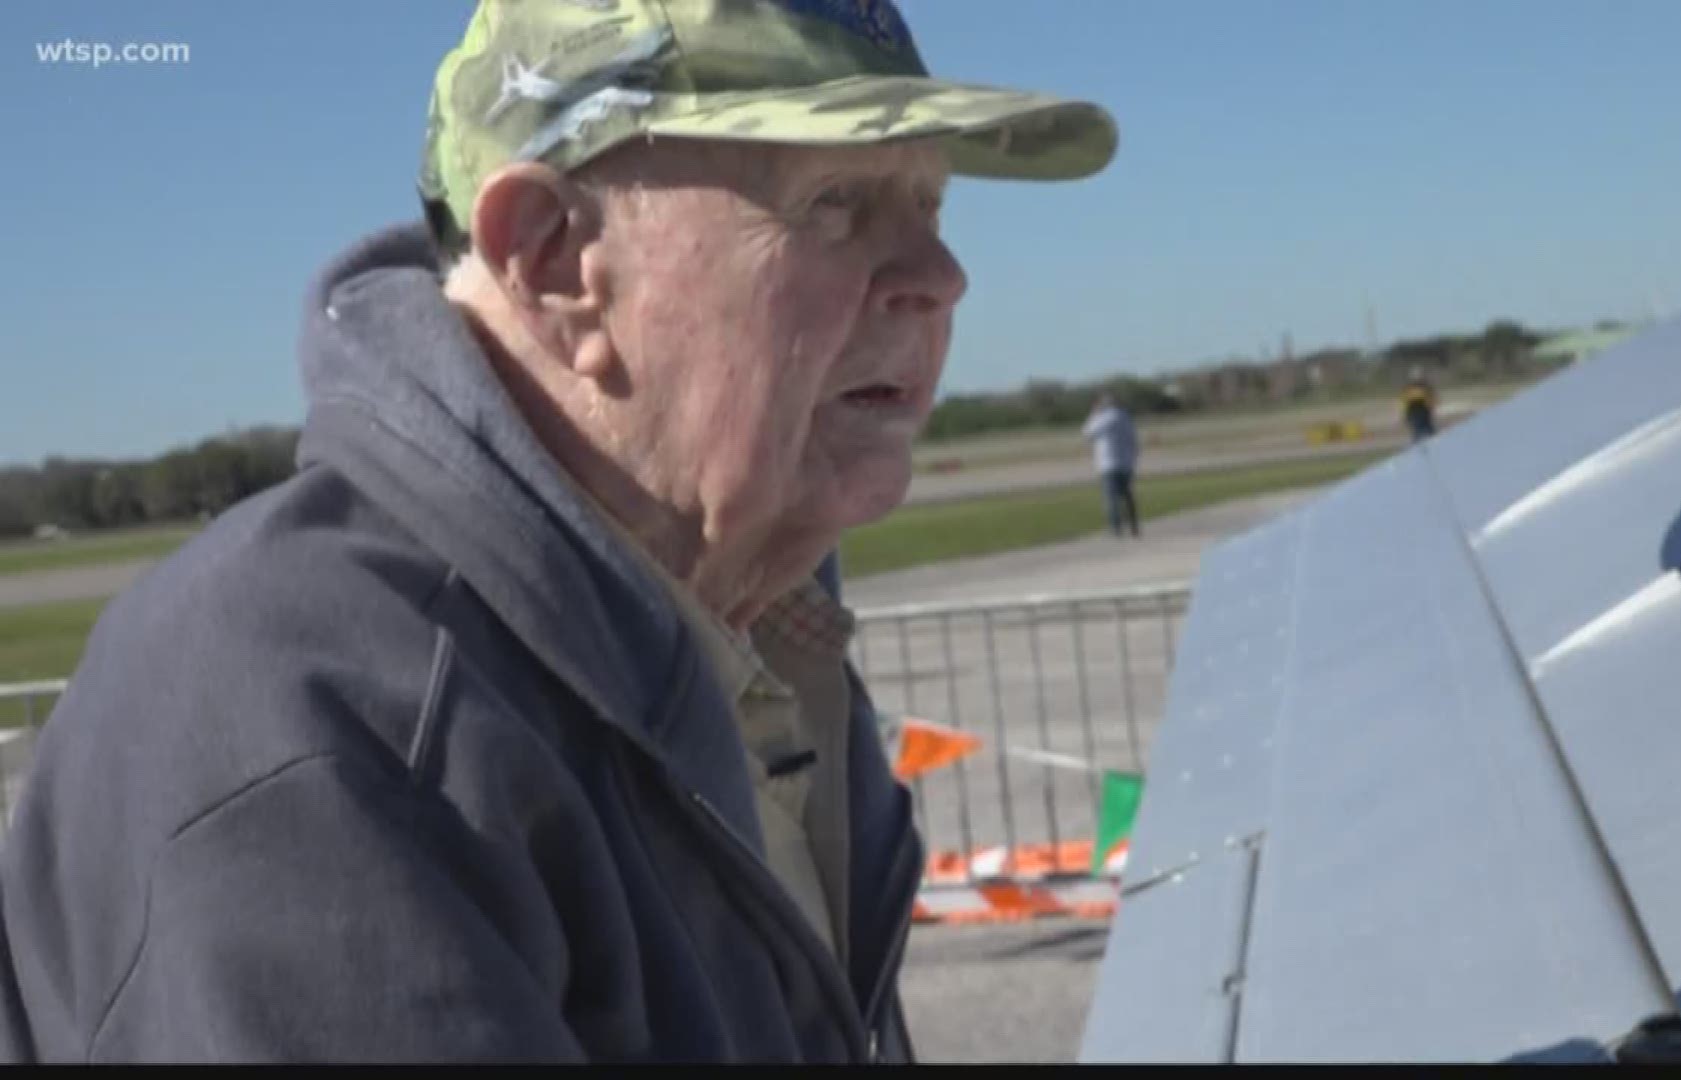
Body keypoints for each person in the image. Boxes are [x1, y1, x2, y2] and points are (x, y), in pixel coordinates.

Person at [0, 0, 1115, 1063]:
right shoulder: (312, 719)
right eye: (834, 200)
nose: (942, 277)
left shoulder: (757, 625)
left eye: (931, 205)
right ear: (556, 263)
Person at [1082, 393, 1141, 538]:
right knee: (1127, 496)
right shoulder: (1125, 416)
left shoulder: (1105, 417)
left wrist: (1093, 414)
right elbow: (1133, 439)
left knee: (1111, 498)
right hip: (1126, 462)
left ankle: (1116, 528)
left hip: (1109, 463)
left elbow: (1088, 433)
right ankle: (1133, 526)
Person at [1401, 365, 1439, 442]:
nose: (1420, 377)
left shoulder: (1426, 387)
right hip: (1414, 414)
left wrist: (1432, 408)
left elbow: (1432, 399)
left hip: (1424, 413)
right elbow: (1404, 402)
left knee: (1430, 433)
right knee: (1418, 434)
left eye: (1421, 375)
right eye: (1418, 375)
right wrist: (1405, 415)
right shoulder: (1409, 388)